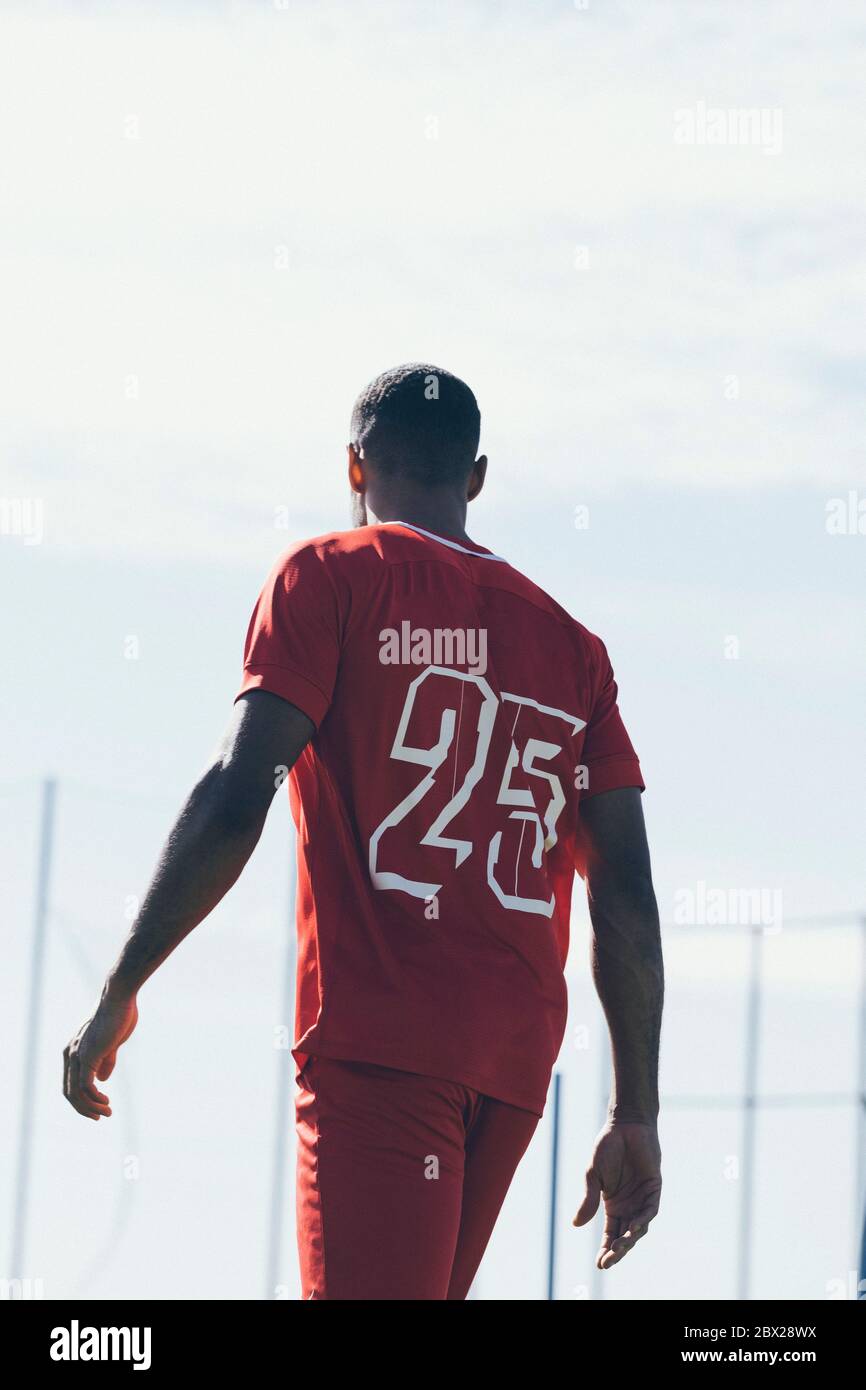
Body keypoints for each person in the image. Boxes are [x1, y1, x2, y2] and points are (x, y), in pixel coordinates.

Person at [64, 362, 664, 1300]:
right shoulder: (576, 649)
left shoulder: (329, 577)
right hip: (511, 1062)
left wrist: (121, 985)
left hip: (382, 1039)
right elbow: (624, 891)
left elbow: (236, 792)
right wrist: (636, 1109)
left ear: (354, 466)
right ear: (475, 477)